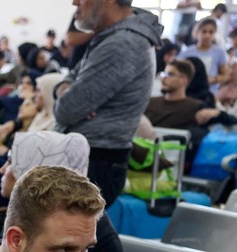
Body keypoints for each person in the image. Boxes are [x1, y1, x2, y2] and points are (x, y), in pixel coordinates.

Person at [54, 0, 162, 206]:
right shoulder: (110, 36)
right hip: (89, 159)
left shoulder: (124, 43)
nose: (74, 2)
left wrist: (69, 94)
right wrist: (66, 89)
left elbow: (65, 110)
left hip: (95, 164)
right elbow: (67, 82)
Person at [145, 58, 223, 128]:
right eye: (164, 74)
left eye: (170, 74)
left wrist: (217, 113)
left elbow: (231, 121)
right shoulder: (150, 102)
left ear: (183, 80)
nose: (164, 78)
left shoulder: (195, 107)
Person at [180, 17, 229, 85]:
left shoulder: (219, 52)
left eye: (211, 32)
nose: (207, 35)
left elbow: (226, 76)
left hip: (210, 92)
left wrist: (214, 79)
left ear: (215, 33)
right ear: (197, 32)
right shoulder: (187, 52)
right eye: (204, 31)